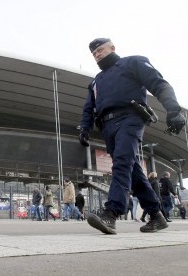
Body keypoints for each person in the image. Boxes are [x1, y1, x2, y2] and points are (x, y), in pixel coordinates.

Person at [79, 38, 185, 234]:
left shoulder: (133, 62)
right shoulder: (95, 81)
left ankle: (111, 213)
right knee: (133, 172)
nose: (97, 55)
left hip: (131, 117)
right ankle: (156, 215)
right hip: (107, 126)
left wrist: (173, 110)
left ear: (112, 48)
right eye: (94, 53)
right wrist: (84, 128)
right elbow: (88, 108)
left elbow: (159, 84)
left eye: (100, 50)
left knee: (121, 162)